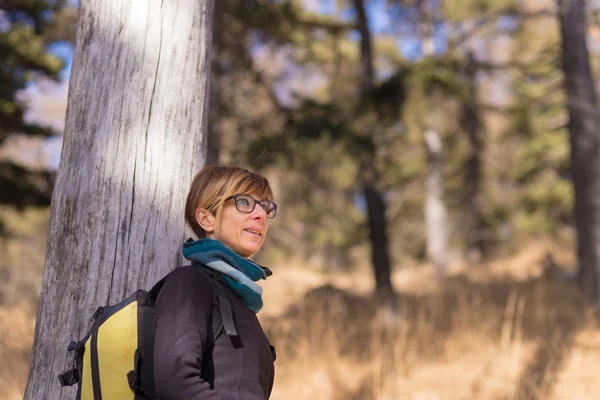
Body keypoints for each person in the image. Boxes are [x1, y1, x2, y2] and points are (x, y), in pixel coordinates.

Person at [153, 165, 278, 400]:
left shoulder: (240, 299)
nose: (260, 215)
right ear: (206, 219)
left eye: (264, 206)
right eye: (244, 203)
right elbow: (175, 383)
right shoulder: (190, 283)